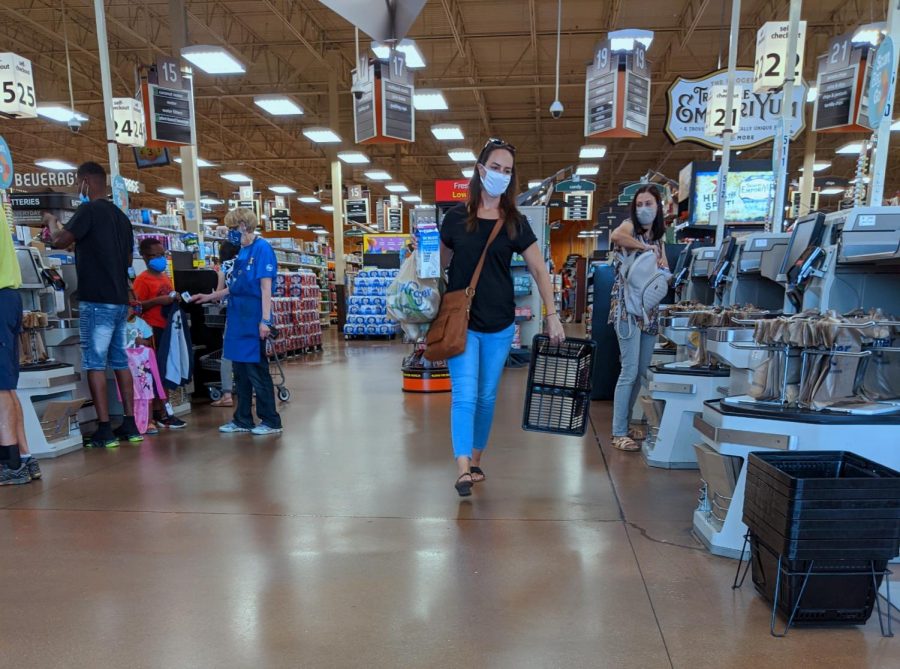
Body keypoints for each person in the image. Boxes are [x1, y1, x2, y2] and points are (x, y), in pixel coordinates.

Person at [437, 138, 565, 496]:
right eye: (495, 168)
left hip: (499, 323)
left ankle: (476, 460)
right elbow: (439, 266)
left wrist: (552, 315)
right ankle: (462, 467)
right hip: (461, 323)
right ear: (480, 170)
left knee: (487, 396)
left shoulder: (515, 222)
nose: (501, 176)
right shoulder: (455, 218)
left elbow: (540, 271)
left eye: (508, 171)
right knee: (464, 395)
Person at [50, 161, 141, 448]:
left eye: (79, 182)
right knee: (119, 361)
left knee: (94, 363)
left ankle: (104, 428)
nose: (78, 188)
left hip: (96, 300)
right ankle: (130, 424)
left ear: (86, 180)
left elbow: (59, 242)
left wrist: (52, 222)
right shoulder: (121, 218)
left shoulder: (88, 210)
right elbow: (127, 261)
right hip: (118, 301)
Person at [193, 209, 282, 435]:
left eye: (232, 228)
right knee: (240, 372)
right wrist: (211, 296)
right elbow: (236, 287)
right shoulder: (242, 251)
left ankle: (270, 420)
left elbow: (265, 288)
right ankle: (242, 419)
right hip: (237, 316)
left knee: (256, 370)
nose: (229, 233)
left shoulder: (262, 249)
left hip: (253, 316)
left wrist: (265, 320)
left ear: (244, 225)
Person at [608, 184, 669, 452]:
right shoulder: (629, 226)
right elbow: (616, 236)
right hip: (627, 311)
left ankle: (626, 425)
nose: (644, 209)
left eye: (649, 204)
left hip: (649, 311)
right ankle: (618, 431)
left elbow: (664, 267)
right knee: (629, 371)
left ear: (658, 207)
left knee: (640, 370)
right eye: (640, 204)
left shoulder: (660, 238)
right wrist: (645, 248)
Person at [1, 207, 41, 485]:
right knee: (8, 387)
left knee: (1, 387)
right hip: (9, 298)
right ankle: (25, 458)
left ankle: (10, 464)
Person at [132, 238, 187, 430]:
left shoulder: (164, 277)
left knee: (165, 371)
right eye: (155, 255)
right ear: (145, 258)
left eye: (162, 255)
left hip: (168, 328)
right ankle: (161, 413)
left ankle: (161, 412)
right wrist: (157, 301)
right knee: (156, 373)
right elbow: (136, 308)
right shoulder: (142, 280)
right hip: (152, 330)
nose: (160, 259)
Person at [210, 241, 240, 408]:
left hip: (232, 313)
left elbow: (218, 296)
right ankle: (249, 392)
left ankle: (227, 394)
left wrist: (212, 296)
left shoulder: (224, 268)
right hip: (248, 313)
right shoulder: (245, 263)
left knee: (227, 354)